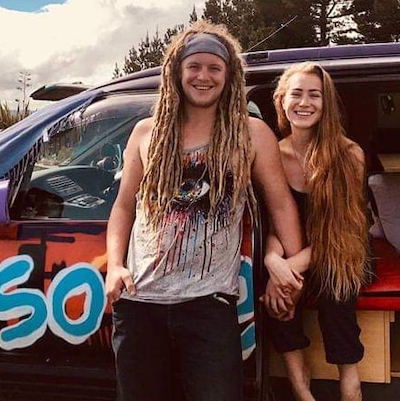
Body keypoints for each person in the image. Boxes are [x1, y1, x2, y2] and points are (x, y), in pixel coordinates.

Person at [105, 21, 304, 401]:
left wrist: (291, 273)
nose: (203, 76)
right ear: (177, 72)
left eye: (215, 68)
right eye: (194, 66)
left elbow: (281, 204)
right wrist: (115, 265)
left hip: (208, 307)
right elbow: (123, 206)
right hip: (139, 305)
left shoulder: (252, 133)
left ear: (229, 77)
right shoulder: (147, 133)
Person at [263, 62, 372, 401]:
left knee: (335, 286)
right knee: (272, 292)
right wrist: (272, 260)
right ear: (282, 101)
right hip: (291, 249)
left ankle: (350, 383)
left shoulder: (349, 154)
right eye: (296, 94)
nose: (304, 103)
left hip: (342, 246)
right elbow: (274, 218)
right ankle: (299, 382)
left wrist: (288, 267)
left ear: (327, 105)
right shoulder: (272, 154)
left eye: (315, 95)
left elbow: (346, 230)